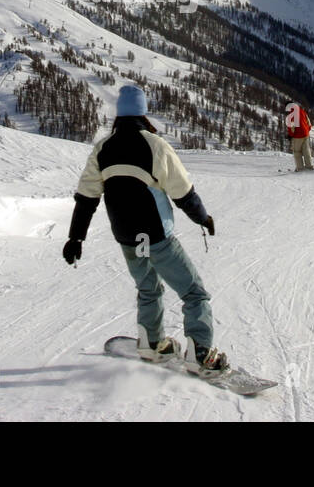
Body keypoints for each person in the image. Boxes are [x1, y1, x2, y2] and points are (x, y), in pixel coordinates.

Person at [62, 85, 227, 373]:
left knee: (148, 289)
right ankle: (201, 355)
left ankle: (152, 345)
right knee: (194, 293)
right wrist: (203, 218)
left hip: (127, 238)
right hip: (156, 236)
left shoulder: (103, 148)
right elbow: (183, 192)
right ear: (143, 112)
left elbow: (86, 198)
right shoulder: (154, 145)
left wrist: (75, 238)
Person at [285, 101, 314, 171]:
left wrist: (290, 136)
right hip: (306, 135)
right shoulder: (302, 111)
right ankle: (309, 167)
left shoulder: (291, 116)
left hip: (298, 136)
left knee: (297, 152)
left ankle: (300, 168)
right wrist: (306, 130)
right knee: (306, 151)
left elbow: (292, 129)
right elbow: (309, 123)